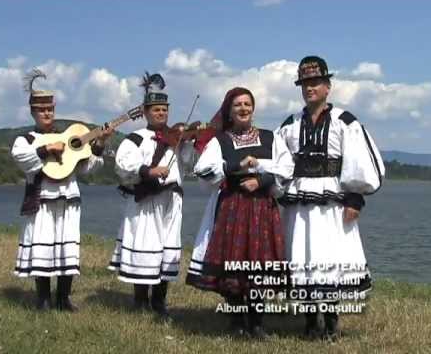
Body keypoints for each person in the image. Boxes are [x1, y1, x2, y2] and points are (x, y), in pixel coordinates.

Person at [276, 56, 385, 340]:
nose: (309, 88)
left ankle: (332, 321)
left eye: (315, 83)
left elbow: (360, 160)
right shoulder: (289, 124)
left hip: (333, 203)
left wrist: (355, 199)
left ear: (328, 86)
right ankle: (311, 322)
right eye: (305, 84)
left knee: (331, 258)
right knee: (302, 256)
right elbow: (277, 159)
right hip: (299, 202)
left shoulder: (345, 122)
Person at [185, 87, 294, 338]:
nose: (243, 109)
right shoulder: (220, 141)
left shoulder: (270, 138)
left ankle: (256, 324)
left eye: (247, 104)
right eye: (237, 105)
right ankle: (236, 323)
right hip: (233, 207)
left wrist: (262, 180)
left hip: (262, 208)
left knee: (260, 265)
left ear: (253, 109)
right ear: (229, 112)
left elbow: (287, 168)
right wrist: (236, 166)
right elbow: (203, 170)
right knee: (232, 264)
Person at [11, 69, 113, 311]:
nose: (47, 113)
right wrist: (47, 150)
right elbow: (21, 158)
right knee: (43, 246)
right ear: (33, 112)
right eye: (41, 110)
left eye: (50, 109)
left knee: (67, 245)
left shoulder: (68, 138)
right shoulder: (25, 139)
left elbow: (86, 167)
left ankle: (63, 297)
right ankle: (43, 298)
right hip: (42, 200)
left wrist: (99, 143)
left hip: (68, 197)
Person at [108, 73, 195, 321]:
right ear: (146, 112)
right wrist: (148, 170)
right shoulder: (135, 138)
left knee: (166, 248)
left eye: (164, 110)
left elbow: (188, 164)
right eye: (156, 110)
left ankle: (159, 301)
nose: (161, 114)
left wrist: (189, 142)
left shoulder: (176, 138)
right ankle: (139, 300)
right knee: (144, 245)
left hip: (171, 201)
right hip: (146, 200)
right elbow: (123, 165)